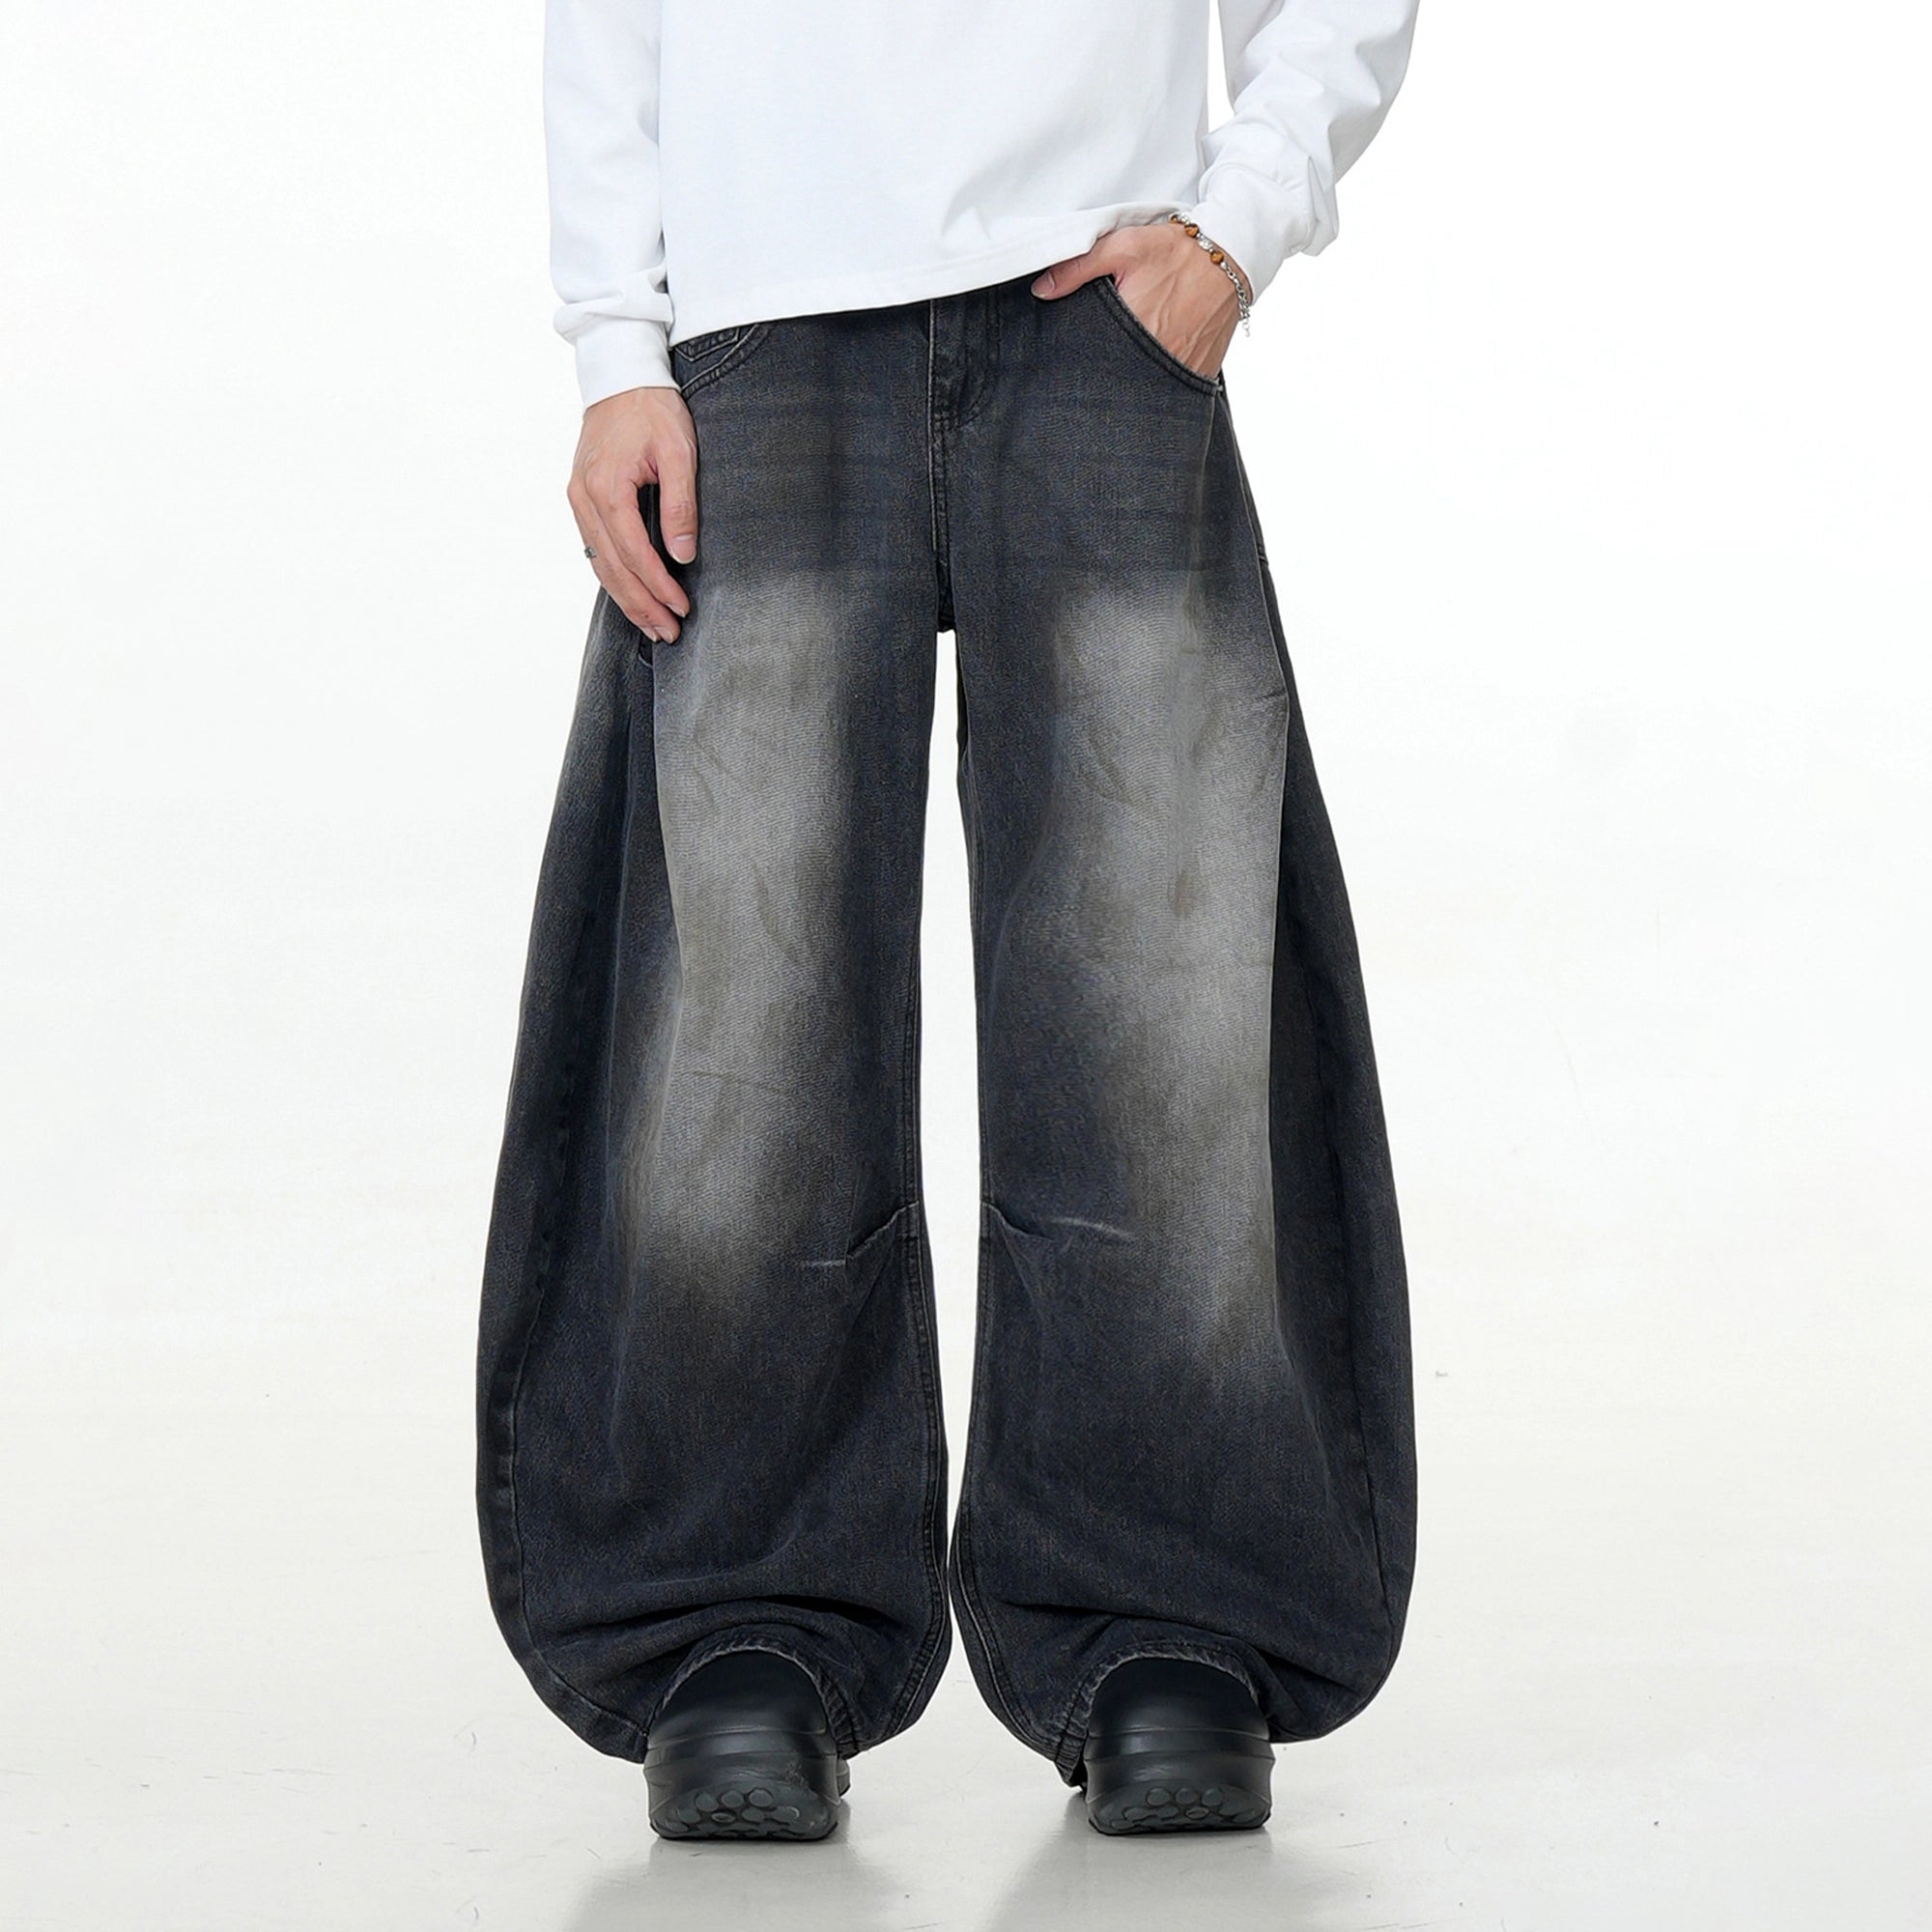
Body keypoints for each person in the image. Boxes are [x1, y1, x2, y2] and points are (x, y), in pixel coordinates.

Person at [474, 0, 1422, 1841]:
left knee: (1161, 989)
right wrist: (615, 339)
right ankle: (734, 1616)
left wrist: (1240, 221)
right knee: (738, 1015)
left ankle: (1171, 1614)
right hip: (756, 318)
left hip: (1103, 301)